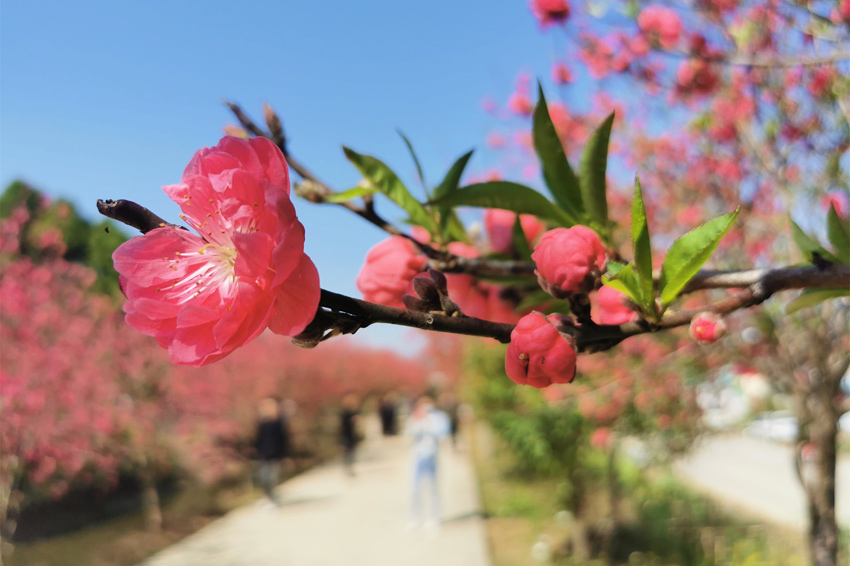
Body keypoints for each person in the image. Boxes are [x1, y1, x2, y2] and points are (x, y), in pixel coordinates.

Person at [406, 395, 450, 529]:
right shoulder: (415, 417)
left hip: (432, 454)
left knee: (433, 487)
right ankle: (416, 517)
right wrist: (419, 422)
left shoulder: (439, 418)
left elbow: (442, 433)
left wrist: (429, 424)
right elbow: (410, 432)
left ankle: (434, 517)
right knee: (415, 488)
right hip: (418, 454)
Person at [254, 397, 292, 506]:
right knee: (263, 478)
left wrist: (286, 455)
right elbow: (259, 439)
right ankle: (269, 497)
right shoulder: (262, 422)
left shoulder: (280, 421)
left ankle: (273, 499)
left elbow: (284, 439)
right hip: (264, 455)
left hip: (276, 455)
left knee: (271, 479)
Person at [339, 393, 360, 476]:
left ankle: (349, 466)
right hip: (346, 435)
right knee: (348, 451)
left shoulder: (352, 413)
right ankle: (348, 466)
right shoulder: (345, 414)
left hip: (351, 435)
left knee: (351, 451)